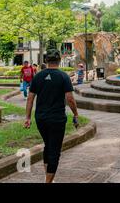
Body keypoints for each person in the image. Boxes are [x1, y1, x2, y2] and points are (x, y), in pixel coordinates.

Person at [24, 49, 79, 183]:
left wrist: (27, 118)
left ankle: (47, 177)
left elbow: (30, 98)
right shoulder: (63, 76)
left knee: (48, 145)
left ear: (46, 60)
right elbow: (70, 98)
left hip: (41, 118)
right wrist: (76, 114)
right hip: (57, 119)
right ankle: (48, 181)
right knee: (54, 150)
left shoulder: (38, 76)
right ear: (59, 60)